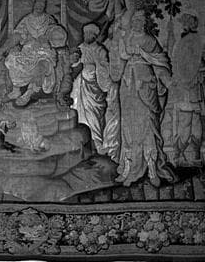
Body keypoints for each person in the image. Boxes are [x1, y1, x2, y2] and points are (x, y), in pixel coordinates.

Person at [116, 10, 176, 187]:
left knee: (148, 126)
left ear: (144, 23)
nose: (136, 23)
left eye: (139, 21)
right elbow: (122, 56)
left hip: (145, 85)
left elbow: (161, 60)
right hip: (128, 86)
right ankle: (128, 168)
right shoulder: (126, 38)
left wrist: (142, 53)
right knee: (128, 127)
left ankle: (152, 169)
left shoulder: (150, 40)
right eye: (134, 20)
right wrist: (123, 46)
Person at [171, 9, 205, 166]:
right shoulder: (185, 42)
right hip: (187, 87)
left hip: (193, 86)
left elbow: (194, 63)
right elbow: (178, 64)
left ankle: (193, 155)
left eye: (188, 21)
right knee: (188, 121)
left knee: (193, 122)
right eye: (185, 21)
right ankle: (181, 155)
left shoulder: (193, 41)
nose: (186, 24)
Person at [5, 0, 58, 106]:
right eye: (38, 3)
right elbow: (18, 35)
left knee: (42, 65)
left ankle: (28, 93)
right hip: (28, 50)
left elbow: (56, 34)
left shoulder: (49, 19)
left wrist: (46, 38)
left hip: (44, 51)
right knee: (12, 57)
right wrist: (7, 47)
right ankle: (16, 90)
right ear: (33, 4)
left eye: (42, 4)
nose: (39, 6)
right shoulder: (27, 20)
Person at [70, 23, 111, 154]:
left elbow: (105, 68)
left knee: (94, 117)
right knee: (79, 112)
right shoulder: (80, 48)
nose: (86, 36)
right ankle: (80, 144)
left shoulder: (100, 50)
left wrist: (95, 68)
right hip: (81, 87)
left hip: (95, 88)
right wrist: (74, 61)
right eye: (85, 34)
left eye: (89, 34)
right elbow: (73, 63)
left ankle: (97, 143)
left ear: (94, 35)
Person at [101, 17, 127, 162]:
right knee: (112, 117)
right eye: (115, 29)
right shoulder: (108, 45)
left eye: (119, 29)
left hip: (123, 86)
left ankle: (115, 152)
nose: (116, 31)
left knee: (117, 118)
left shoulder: (122, 45)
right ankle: (111, 149)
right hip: (112, 87)